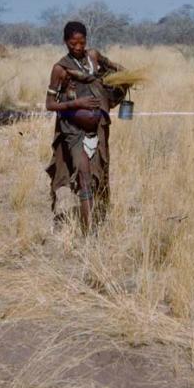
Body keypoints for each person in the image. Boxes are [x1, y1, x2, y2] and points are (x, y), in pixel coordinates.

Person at [45, 21, 127, 235]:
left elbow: (121, 71)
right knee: (83, 174)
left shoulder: (94, 57)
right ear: (65, 42)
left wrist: (112, 85)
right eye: (73, 44)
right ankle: (88, 233)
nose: (78, 47)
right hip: (73, 130)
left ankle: (98, 215)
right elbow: (49, 104)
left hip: (99, 127)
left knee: (99, 172)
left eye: (82, 43)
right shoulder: (60, 69)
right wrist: (76, 104)